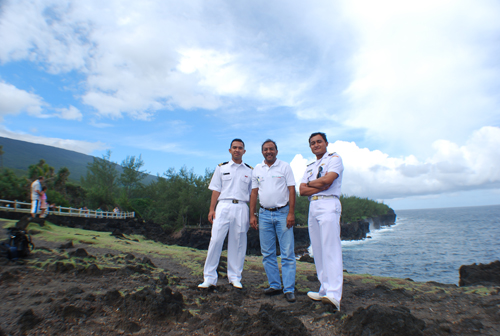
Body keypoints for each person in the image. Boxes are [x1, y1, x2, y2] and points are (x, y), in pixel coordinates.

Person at [198, 139, 253, 289]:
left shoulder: (250, 171)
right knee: (216, 240)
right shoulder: (221, 168)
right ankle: (209, 278)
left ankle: (235, 277)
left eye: (240, 148)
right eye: (234, 147)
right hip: (223, 206)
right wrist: (211, 209)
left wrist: (252, 213)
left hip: (241, 206)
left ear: (244, 151)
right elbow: (216, 189)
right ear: (230, 150)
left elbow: (252, 194)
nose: (237, 150)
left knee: (238, 243)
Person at [299, 132, 344, 311]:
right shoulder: (310, 166)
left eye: (319, 142)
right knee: (317, 249)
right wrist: (318, 184)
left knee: (330, 248)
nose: (316, 145)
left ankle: (334, 294)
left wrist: (314, 184)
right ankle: (324, 288)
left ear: (326, 143)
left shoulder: (335, 159)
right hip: (314, 206)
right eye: (312, 143)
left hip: (329, 203)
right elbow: (302, 190)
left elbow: (329, 181)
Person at [249, 139, 297, 302]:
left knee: (287, 252)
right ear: (262, 152)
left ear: (276, 151)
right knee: (268, 253)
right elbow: (254, 193)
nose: (268, 151)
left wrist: (291, 212)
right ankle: (275, 285)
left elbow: (292, 190)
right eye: (265, 149)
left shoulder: (285, 167)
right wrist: (252, 214)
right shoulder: (257, 169)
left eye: (271, 149)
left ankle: (289, 288)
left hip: (283, 213)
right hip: (263, 214)